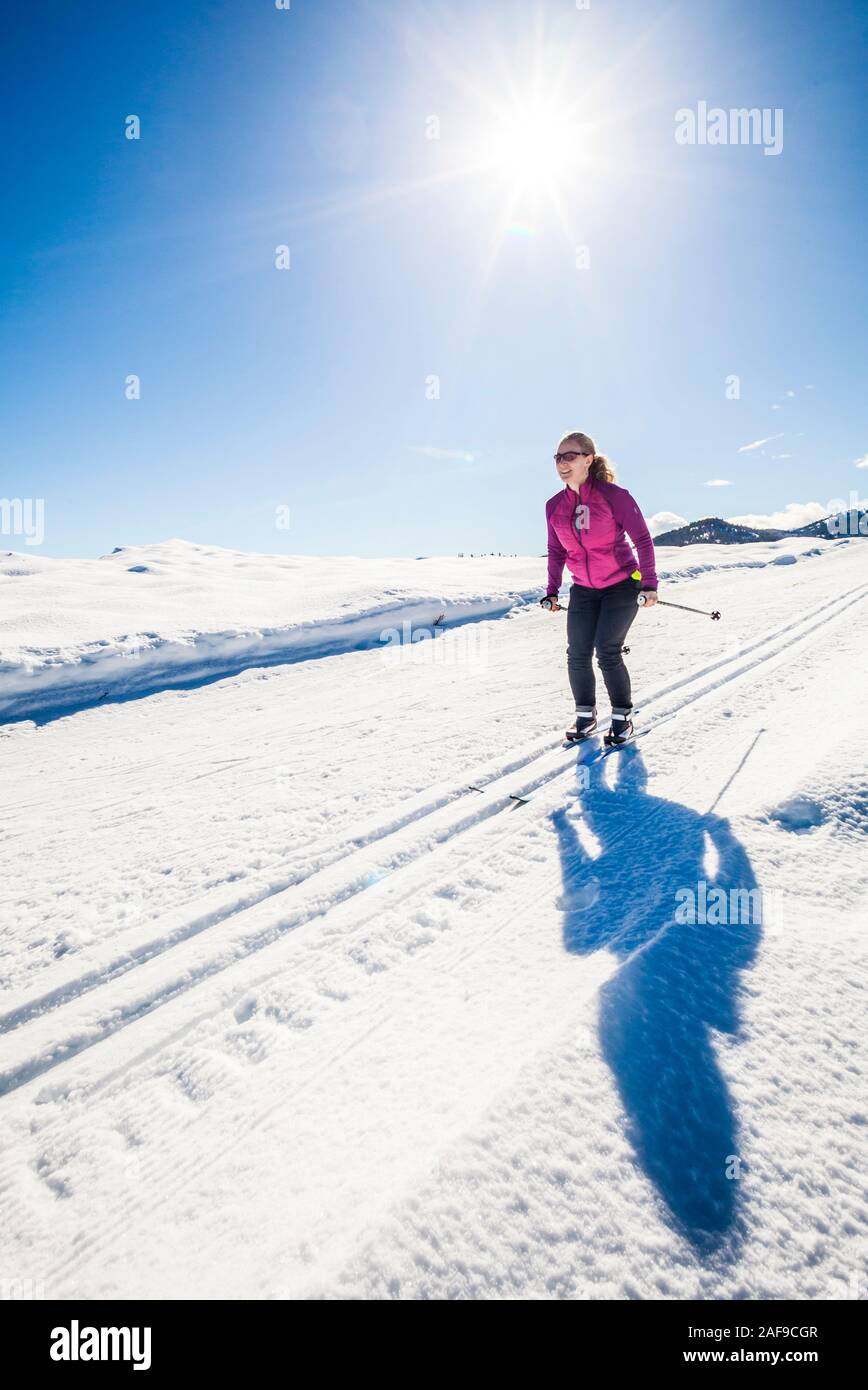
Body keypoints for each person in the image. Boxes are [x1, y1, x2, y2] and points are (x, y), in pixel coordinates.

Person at [541, 431, 658, 746]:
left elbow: (643, 541)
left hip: (623, 584)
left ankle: (622, 717)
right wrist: (552, 591)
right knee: (577, 652)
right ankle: (585, 715)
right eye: (558, 457)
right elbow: (557, 552)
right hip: (583, 589)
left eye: (570, 456)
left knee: (607, 649)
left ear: (588, 459)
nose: (562, 463)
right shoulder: (554, 506)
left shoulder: (614, 496)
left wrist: (649, 584)